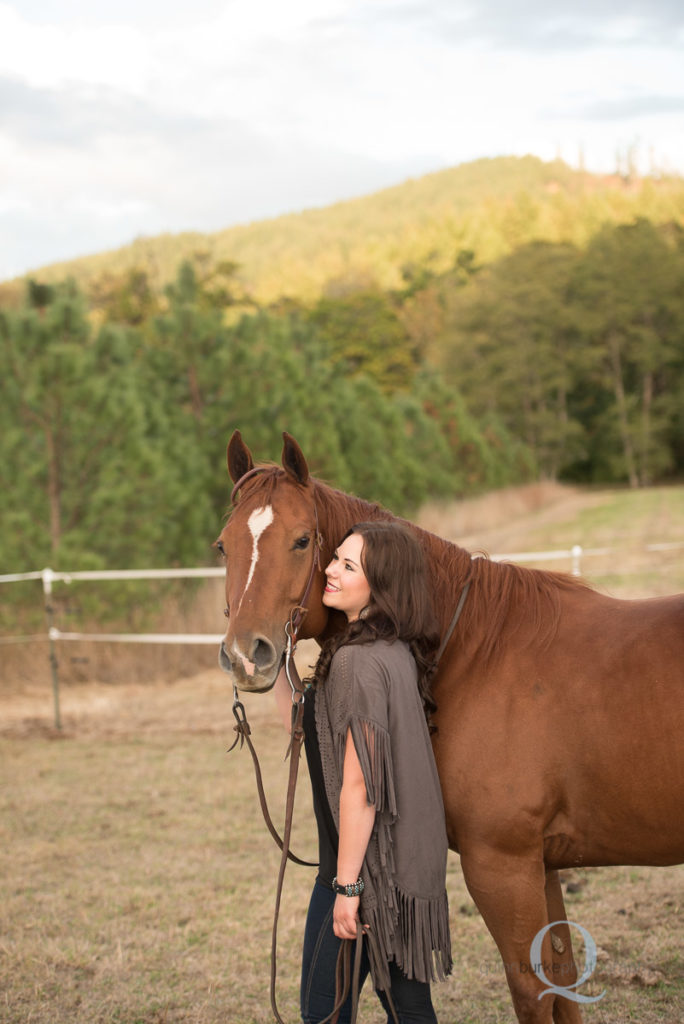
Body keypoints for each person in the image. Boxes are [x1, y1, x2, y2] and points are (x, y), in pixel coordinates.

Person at [273, 520, 452, 1024]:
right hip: (398, 870)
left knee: (323, 1014)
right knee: (409, 1008)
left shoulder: (356, 663)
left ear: (382, 587)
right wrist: (276, 660)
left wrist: (348, 890)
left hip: (362, 874)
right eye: (336, 558)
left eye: (348, 566)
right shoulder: (390, 651)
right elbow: (313, 724)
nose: (329, 570)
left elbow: (360, 785)